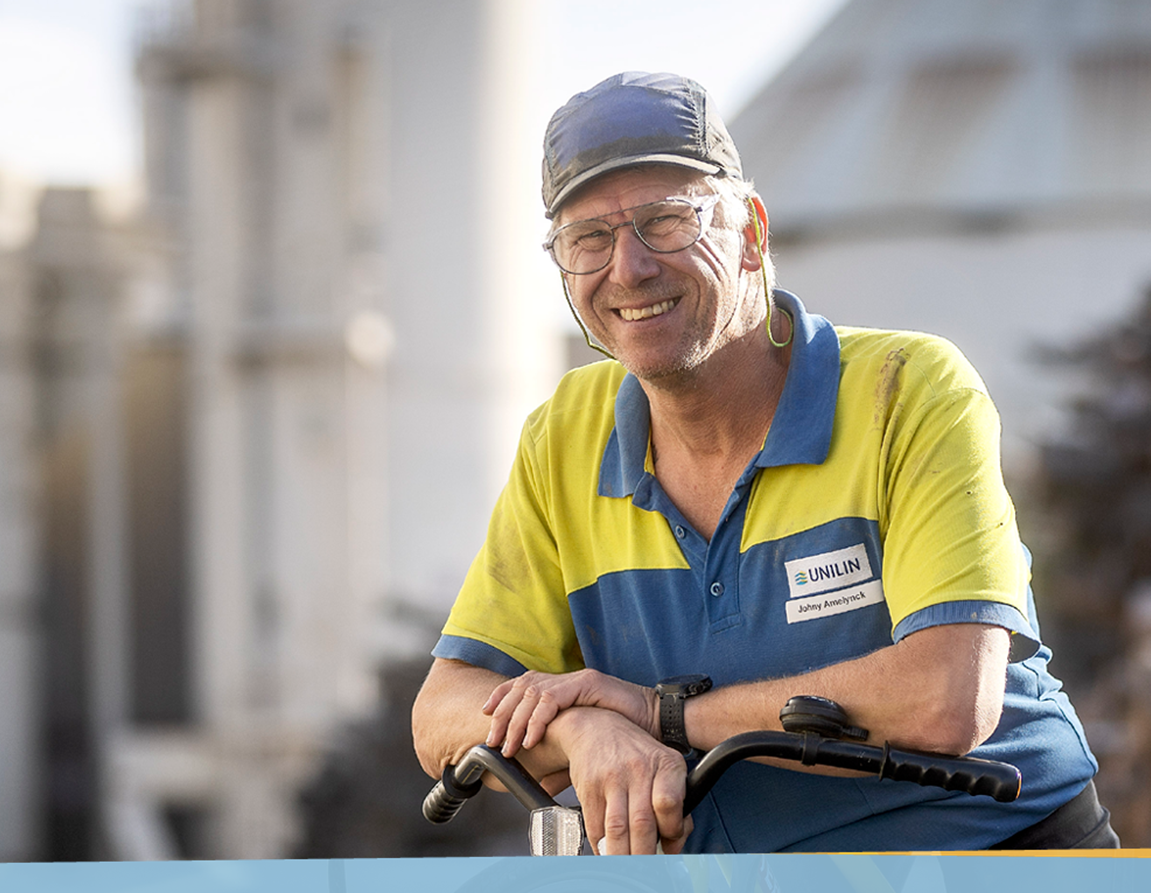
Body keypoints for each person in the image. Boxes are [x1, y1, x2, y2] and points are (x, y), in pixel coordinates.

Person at [411, 72, 1111, 854]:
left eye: (665, 221)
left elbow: (945, 700)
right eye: (589, 240)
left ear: (751, 233)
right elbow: (442, 712)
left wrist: (657, 716)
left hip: (992, 856)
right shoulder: (564, 437)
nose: (629, 268)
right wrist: (582, 730)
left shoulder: (905, 390)